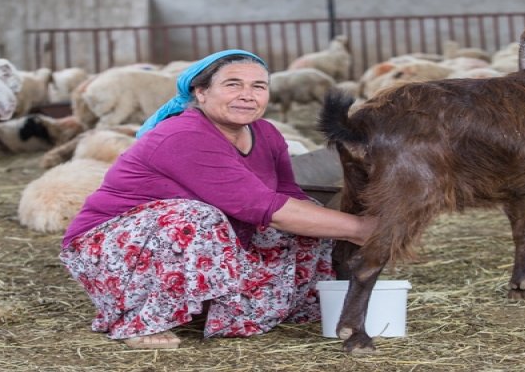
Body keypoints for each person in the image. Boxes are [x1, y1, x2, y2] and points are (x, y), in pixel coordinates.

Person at [59, 49, 376, 350]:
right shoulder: (183, 134)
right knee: (197, 218)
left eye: (258, 86)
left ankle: (255, 311)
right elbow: (258, 205)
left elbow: (288, 196)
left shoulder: (266, 133)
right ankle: (142, 321)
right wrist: (364, 228)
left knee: (309, 219)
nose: (247, 95)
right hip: (109, 247)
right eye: (232, 84)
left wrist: (331, 222)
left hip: (186, 238)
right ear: (201, 92)